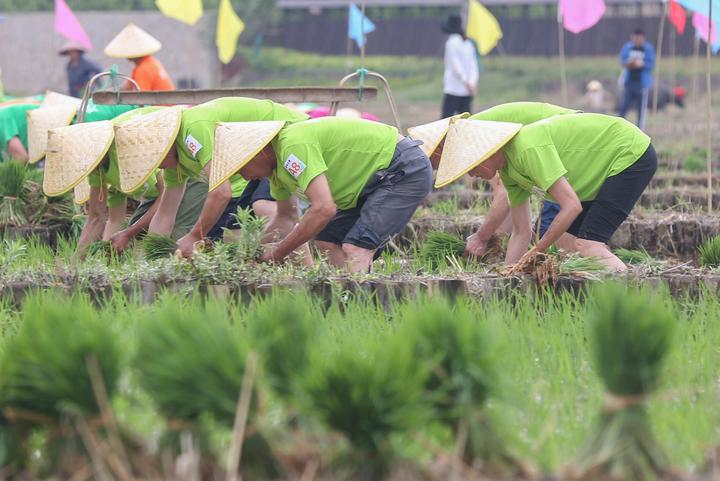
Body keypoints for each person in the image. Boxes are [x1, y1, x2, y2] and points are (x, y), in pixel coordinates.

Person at [435, 113, 657, 272]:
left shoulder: (526, 149)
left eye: (470, 167)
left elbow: (571, 206)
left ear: (483, 154)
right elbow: (521, 232)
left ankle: (633, 294)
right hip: (598, 171)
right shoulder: (509, 171)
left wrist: (536, 252)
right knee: (566, 241)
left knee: (588, 244)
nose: (471, 175)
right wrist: (509, 272)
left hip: (628, 153)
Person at [208, 117, 434, 272]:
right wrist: (250, 251)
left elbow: (324, 208)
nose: (244, 177)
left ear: (258, 153)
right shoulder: (276, 172)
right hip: (373, 181)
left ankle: (359, 304)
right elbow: (285, 217)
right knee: (328, 238)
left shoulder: (292, 146)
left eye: (241, 168)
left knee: (357, 246)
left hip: (402, 169)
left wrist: (278, 254)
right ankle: (346, 296)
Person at [112, 98, 309, 258]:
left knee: (269, 209)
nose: (159, 167)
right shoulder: (174, 160)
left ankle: (312, 280)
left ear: (164, 146)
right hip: (254, 156)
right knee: (229, 238)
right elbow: (166, 213)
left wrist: (194, 235)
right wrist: (152, 262)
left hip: (278, 137)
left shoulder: (193, 130)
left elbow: (221, 192)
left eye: (157, 160)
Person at [408, 102, 577, 257]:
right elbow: (515, 198)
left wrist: (482, 237)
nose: (435, 168)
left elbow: (503, 195)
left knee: (555, 231)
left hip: (568, 144)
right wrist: (497, 240)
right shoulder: (466, 134)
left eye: (431, 164)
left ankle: (589, 277)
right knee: (564, 235)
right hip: (557, 143)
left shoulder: (472, 141)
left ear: (437, 151)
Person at [104, 23, 175, 91]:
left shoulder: (144, 69)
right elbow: (127, 87)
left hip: (160, 103)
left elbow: (142, 98)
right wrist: (111, 92)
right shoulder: (150, 62)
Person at [441, 15, 479, 118]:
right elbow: (473, 66)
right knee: (466, 121)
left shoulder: (451, 43)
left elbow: (455, 66)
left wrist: (465, 82)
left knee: (445, 121)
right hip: (467, 90)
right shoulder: (468, 43)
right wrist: (471, 83)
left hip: (453, 88)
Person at [619, 28, 655, 130]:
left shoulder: (648, 49)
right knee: (624, 106)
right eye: (635, 38)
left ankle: (640, 129)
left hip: (642, 83)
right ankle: (620, 127)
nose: (637, 40)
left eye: (639, 38)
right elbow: (623, 61)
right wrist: (630, 63)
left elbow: (651, 64)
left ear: (643, 38)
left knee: (641, 109)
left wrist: (641, 64)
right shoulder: (628, 47)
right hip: (629, 81)